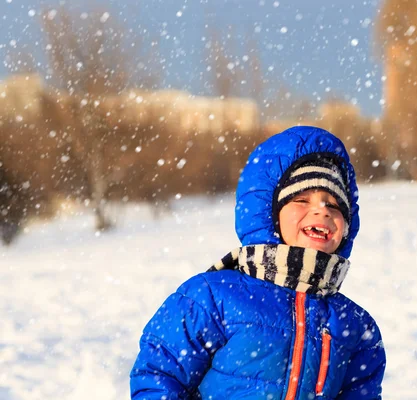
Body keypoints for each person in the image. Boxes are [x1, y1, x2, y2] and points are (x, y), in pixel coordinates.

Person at [130, 125, 386, 399]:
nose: (321, 210)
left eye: (334, 205)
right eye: (301, 198)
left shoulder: (356, 326)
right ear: (270, 215)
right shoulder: (212, 297)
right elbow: (159, 374)